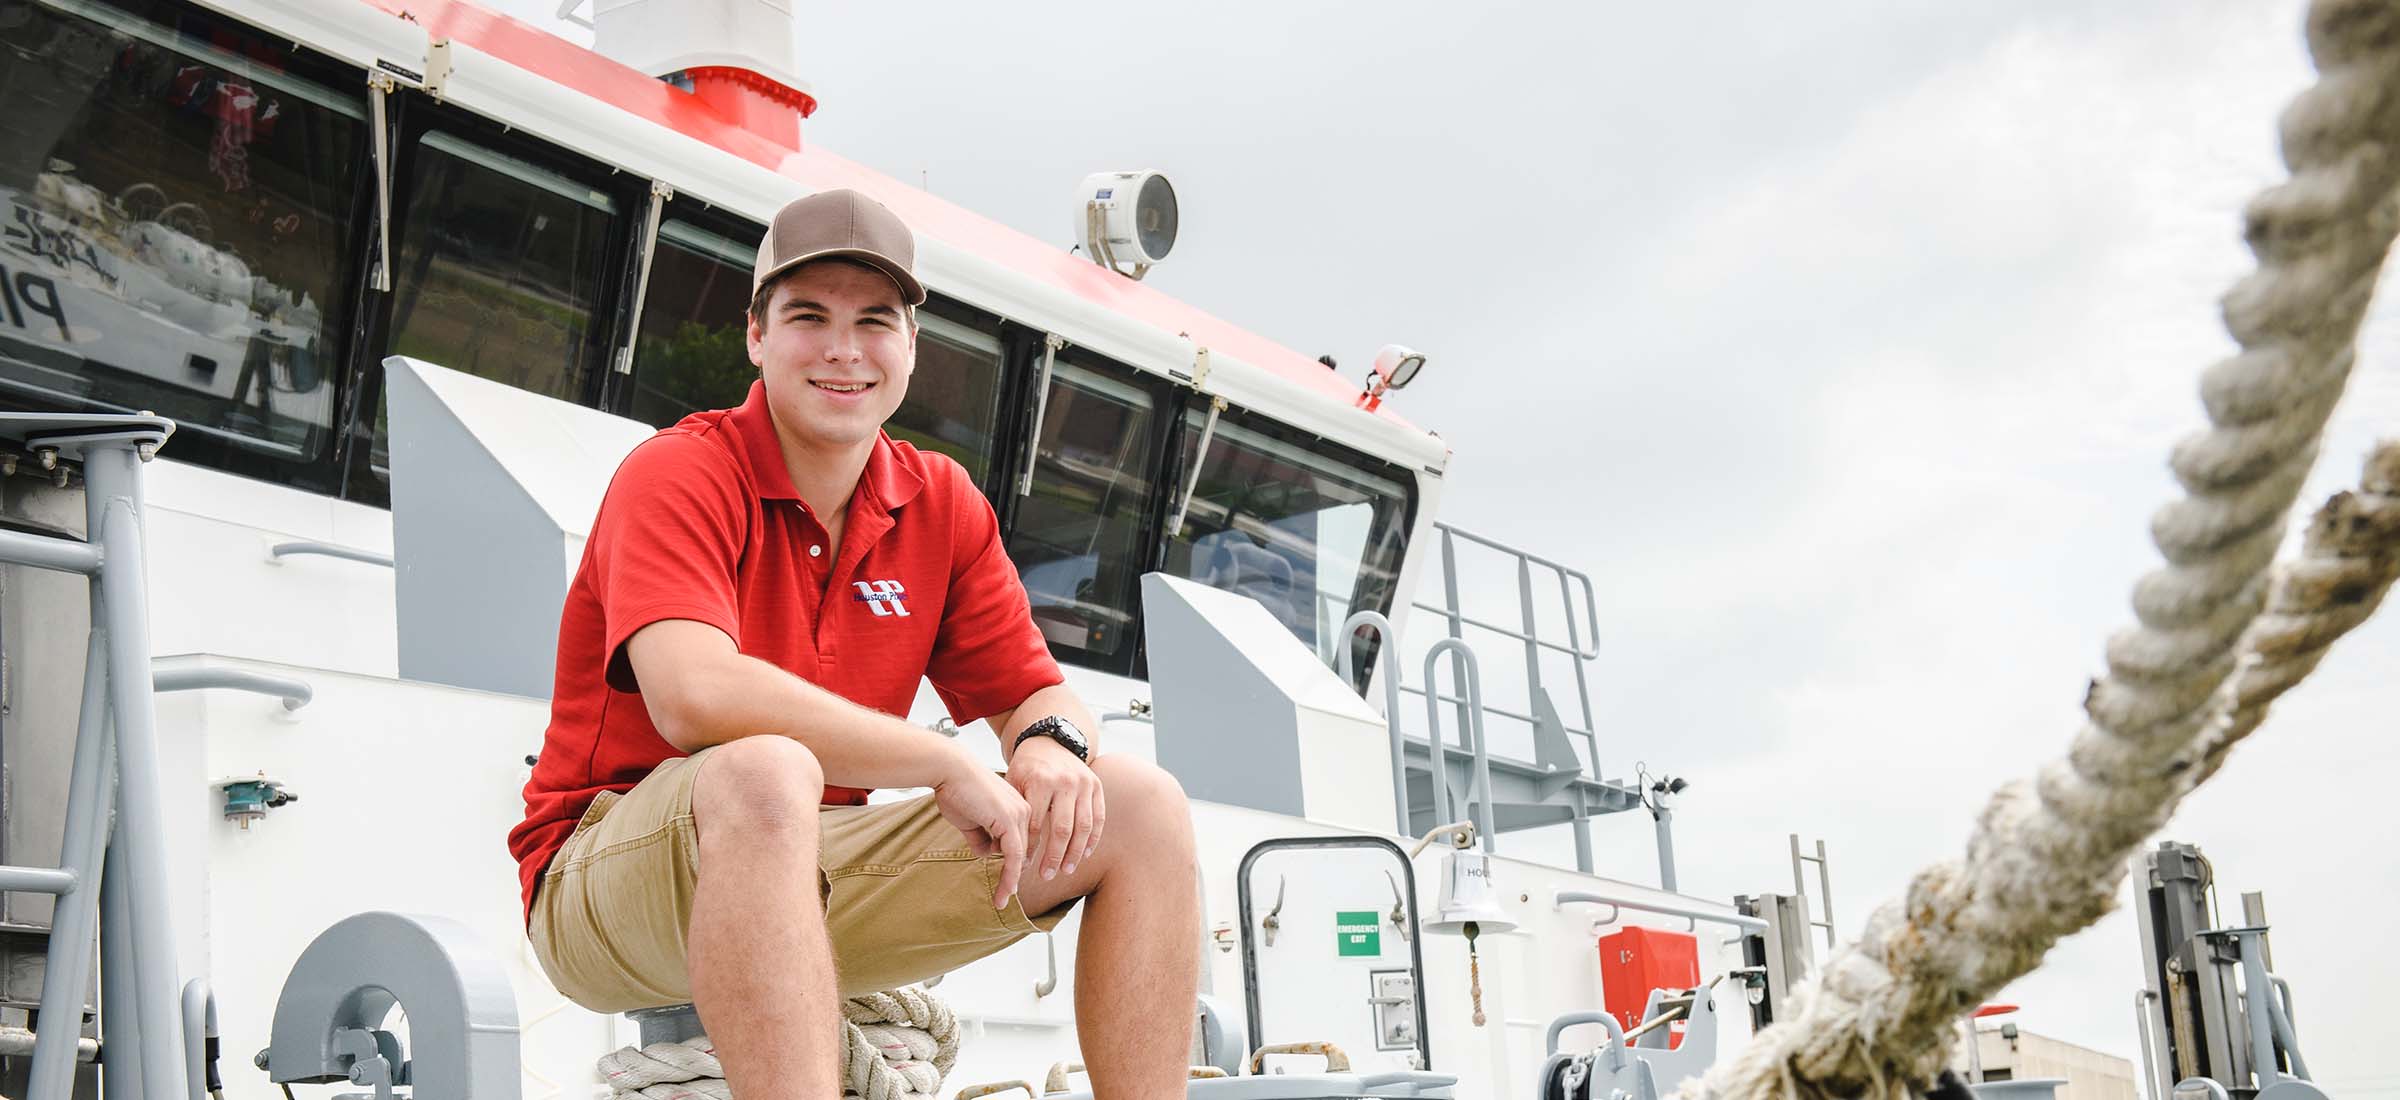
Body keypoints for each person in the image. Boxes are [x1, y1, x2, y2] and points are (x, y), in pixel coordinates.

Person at [506, 189, 1202, 1098]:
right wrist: (939, 762)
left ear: (912, 347)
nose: (844, 350)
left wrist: (1049, 745)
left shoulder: (941, 501)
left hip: (810, 866)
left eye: (875, 321)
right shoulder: (679, 471)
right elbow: (693, 697)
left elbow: (1038, 693)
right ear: (756, 335)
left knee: (1140, 802)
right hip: (599, 883)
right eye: (809, 317)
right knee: (765, 772)